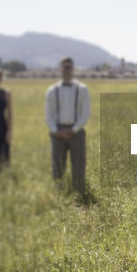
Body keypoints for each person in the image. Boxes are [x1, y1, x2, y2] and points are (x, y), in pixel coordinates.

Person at [45, 58, 90, 194]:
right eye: (64, 67)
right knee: (57, 166)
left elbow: (85, 113)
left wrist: (73, 129)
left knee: (79, 165)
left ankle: (79, 194)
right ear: (60, 69)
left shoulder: (82, 89)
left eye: (69, 67)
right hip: (57, 132)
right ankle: (59, 193)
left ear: (73, 69)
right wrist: (56, 130)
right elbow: (49, 114)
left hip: (76, 132)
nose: (66, 70)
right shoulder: (52, 90)